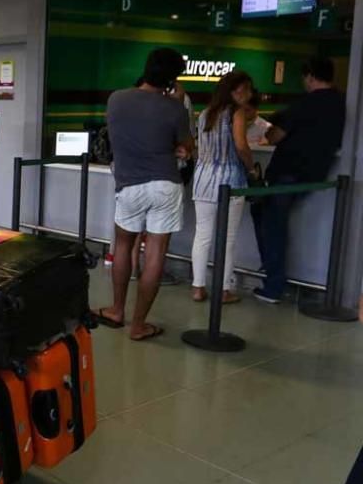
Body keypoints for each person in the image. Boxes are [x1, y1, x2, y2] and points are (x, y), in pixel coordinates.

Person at [94, 48, 193, 341]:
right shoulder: (175, 107)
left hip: (129, 185)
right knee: (155, 254)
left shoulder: (116, 99)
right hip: (165, 184)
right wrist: (176, 103)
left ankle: (116, 310)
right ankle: (139, 325)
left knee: (123, 246)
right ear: (173, 78)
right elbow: (187, 146)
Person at [252, 56, 345, 303]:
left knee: (270, 222)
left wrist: (269, 133)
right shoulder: (341, 102)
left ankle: (273, 284)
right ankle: (272, 273)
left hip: (287, 173)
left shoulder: (304, 104)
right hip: (315, 173)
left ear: (310, 76)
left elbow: (274, 136)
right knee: (269, 218)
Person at [190, 71, 256, 304]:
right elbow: (241, 145)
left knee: (202, 236)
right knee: (227, 239)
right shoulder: (235, 113)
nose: (247, 94)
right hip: (231, 181)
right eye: (244, 89)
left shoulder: (205, 113)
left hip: (203, 181)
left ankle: (198, 288)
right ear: (233, 90)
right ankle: (224, 290)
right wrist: (251, 168)